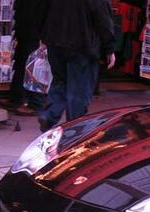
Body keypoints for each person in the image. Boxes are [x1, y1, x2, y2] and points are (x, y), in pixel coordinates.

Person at [38, 0, 116, 132]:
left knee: (60, 81)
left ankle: (50, 114)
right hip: (82, 45)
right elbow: (103, 21)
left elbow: (44, 11)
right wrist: (109, 48)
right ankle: (74, 126)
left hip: (56, 42)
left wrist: (44, 37)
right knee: (79, 89)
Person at [8, 0, 47, 116]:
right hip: (25, 28)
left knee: (33, 66)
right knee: (20, 63)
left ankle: (35, 103)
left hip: (34, 30)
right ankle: (16, 97)